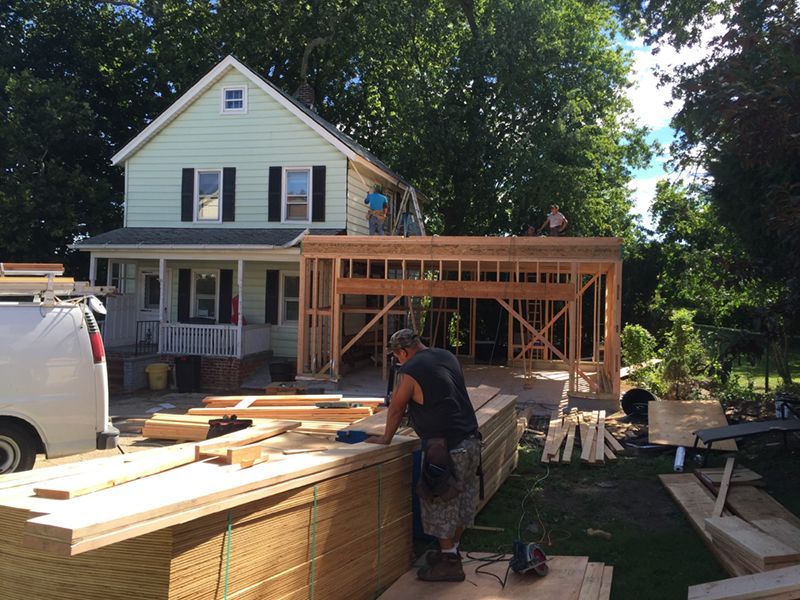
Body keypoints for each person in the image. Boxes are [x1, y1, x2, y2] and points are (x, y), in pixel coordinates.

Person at [367, 329, 480, 582]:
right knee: (461, 500)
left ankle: (450, 563)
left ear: (404, 352)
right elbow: (442, 395)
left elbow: (396, 409)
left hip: (446, 448)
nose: (398, 362)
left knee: (438, 500)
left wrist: (385, 438)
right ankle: (450, 552)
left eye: (397, 357)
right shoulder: (447, 356)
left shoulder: (411, 370)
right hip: (471, 440)